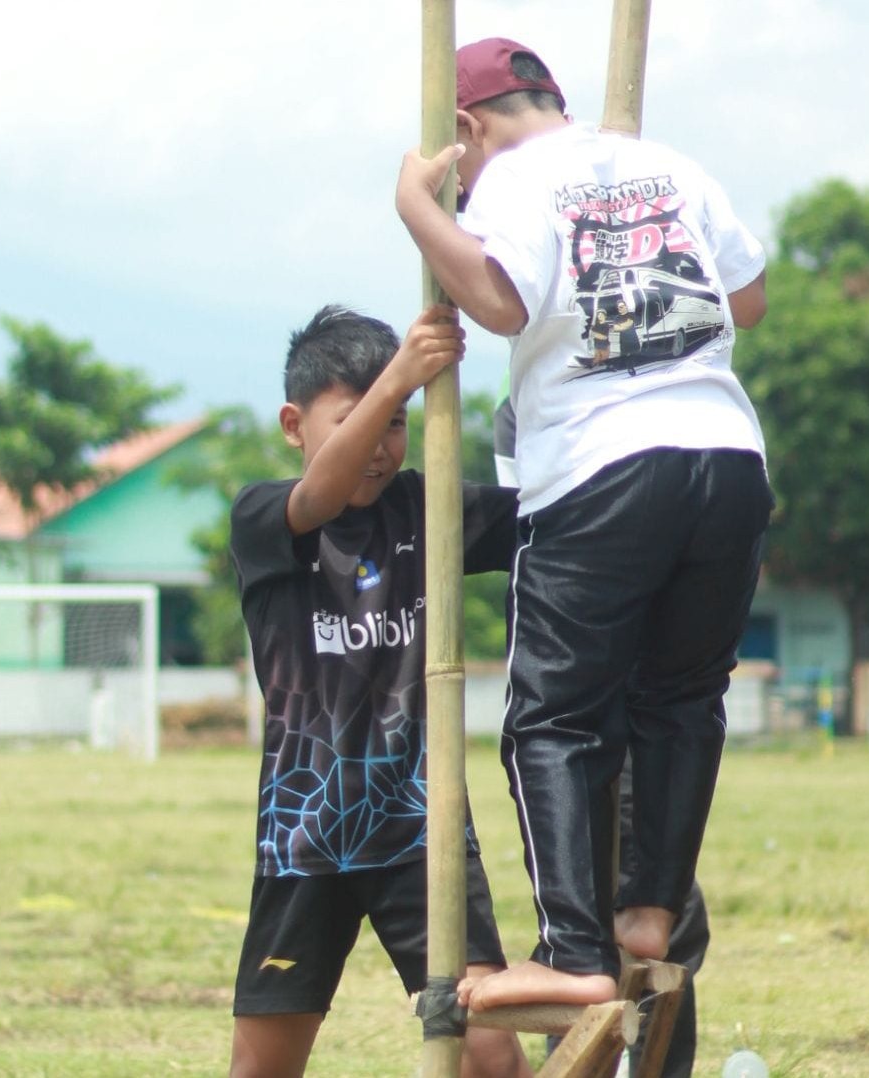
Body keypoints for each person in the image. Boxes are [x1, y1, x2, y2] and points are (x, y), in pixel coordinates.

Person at [395, 37, 772, 1014]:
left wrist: (417, 210)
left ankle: (572, 950)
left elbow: (493, 299)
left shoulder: (515, 181)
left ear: (469, 129)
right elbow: (748, 298)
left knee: (553, 718)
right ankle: (646, 911)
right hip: (727, 458)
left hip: (603, 466)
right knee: (681, 697)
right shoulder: (671, 165)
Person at [226, 303, 530, 1078]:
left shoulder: (430, 510)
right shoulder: (263, 517)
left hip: (421, 833)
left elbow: (552, 520)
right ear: (294, 425)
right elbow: (318, 499)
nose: (381, 445)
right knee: (263, 1067)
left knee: (492, 1057)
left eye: (397, 422)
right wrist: (401, 375)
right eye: (356, 418)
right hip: (306, 838)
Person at [495, 388, 709, 1078]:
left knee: (647, 910)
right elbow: (532, 543)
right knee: (598, 907)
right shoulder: (527, 414)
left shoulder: (669, 403)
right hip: (598, 704)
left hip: (631, 707)